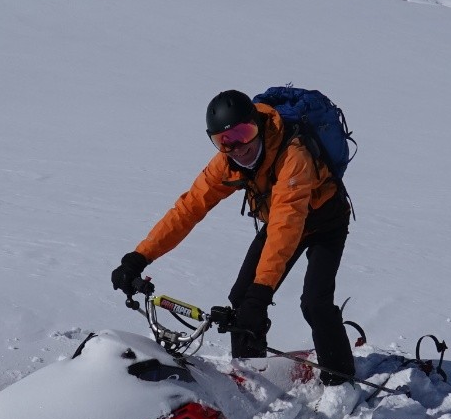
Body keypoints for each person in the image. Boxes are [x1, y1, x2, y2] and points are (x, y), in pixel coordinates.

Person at [111, 89, 354, 385]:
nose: (238, 146)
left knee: (314, 302)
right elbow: (188, 209)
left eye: (244, 132)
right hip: (281, 220)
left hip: (325, 222)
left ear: (258, 125)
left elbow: (286, 226)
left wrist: (262, 292)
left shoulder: (293, 155)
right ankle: (252, 380)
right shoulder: (227, 163)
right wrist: (139, 258)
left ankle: (341, 379)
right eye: (224, 140)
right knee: (242, 300)